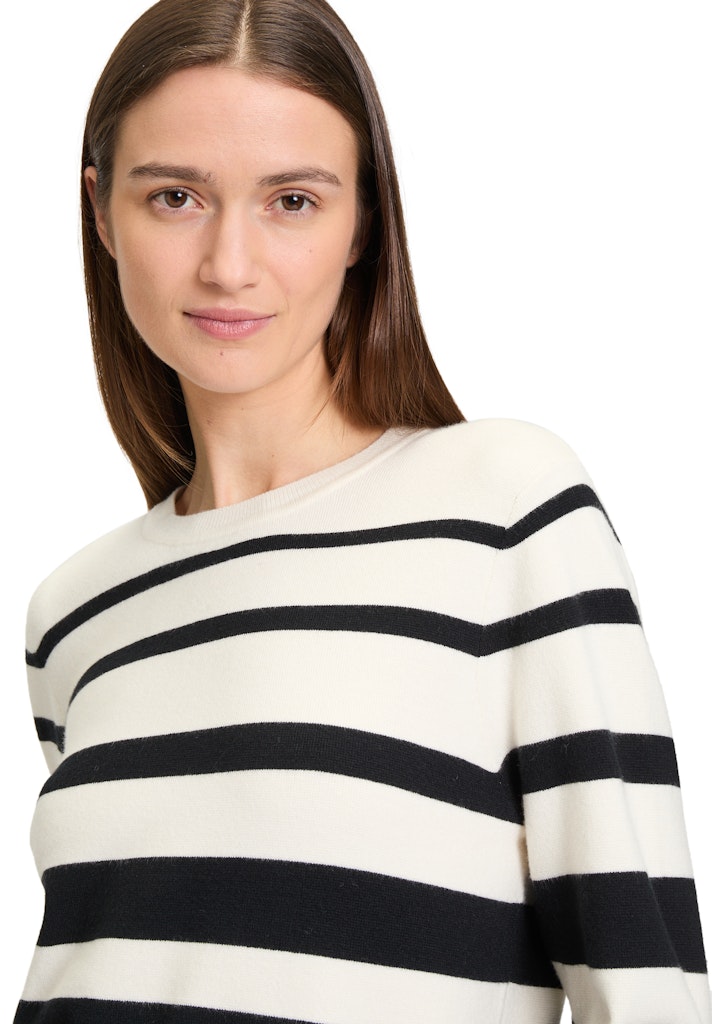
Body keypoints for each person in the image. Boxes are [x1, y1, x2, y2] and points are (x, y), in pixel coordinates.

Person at [14, 0, 711, 1021]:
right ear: (102, 214)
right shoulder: (73, 611)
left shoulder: (506, 510)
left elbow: (644, 983)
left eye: (292, 200)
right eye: (175, 197)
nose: (229, 264)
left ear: (363, 223)